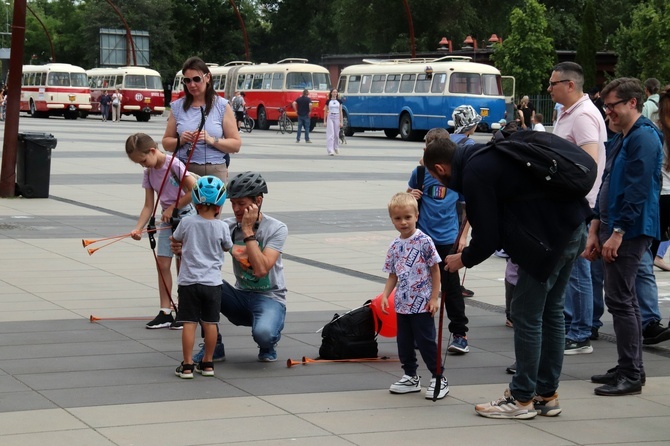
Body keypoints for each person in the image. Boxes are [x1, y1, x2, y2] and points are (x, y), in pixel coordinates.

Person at [424, 137, 591, 419]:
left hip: (547, 241)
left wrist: (462, 259)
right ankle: (546, 395)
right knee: (551, 312)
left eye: (432, 175)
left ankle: (522, 398)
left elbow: (487, 236)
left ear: (440, 168)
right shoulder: (484, 154)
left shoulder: (475, 171)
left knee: (526, 314)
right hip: (572, 229)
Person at [585, 77, 663, 396]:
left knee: (621, 299)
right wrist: (595, 226)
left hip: (628, 231)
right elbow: (606, 183)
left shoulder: (643, 137)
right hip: (614, 227)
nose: (608, 112)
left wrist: (616, 232)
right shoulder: (624, 137)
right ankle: (630, 366)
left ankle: (631, 372)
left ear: (632, 102)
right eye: (605, 106)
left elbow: (637, 189)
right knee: (621, 299)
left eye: (612, 105)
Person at [174, 171, 288, 363]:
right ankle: (214, 347)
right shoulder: (224, 226)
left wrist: (247, 231)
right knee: (201, 285)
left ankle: (268, 345)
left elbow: (261, 270)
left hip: (270, 297)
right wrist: (179, 247)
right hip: (239, 295)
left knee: (264, 333)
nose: (235, 209)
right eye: (232, 203)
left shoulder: (276, 228)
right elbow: (196, 247)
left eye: (241, 204)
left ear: (258, 201)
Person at [549, 61, 607, 356]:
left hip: (579, 204)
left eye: (553, 84)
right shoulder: (567, 113)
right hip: (571, 202)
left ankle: (581, 332)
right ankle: (581, 324)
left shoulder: (583, 116)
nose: (549, 89)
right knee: (576, 269)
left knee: (578, 269)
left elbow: (590, 165)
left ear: (570, 85)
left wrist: (583, 205)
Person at [407, 128, 471, 354]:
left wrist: (463, 236)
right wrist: (410, 196)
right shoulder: (420, 173)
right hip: (424, 238)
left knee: (451, 287)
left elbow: (467, 207)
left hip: (447, 238)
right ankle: (422, 332)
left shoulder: (457, 174)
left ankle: (459, 333)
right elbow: (407, 200)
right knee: (421, 285)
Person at [380, 192, 449, 400]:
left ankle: (439, 377)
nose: (403, 222)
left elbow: (436, 270)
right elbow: (393, 274)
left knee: (426, 341)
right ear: (392, 219)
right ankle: (410, 375)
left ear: (417, 216)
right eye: (398, 218)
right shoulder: (394, 245)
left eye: (408, 217)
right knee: (404, 342)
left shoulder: (424, 241)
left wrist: (434, 297)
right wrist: (385, 295)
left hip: (422, 303)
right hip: (402, 304)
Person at [126, 133, 197, 330]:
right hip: (167, 218)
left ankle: (185, 309)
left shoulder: (174, 165)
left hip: (185, 216)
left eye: (143, 160)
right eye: (139, 163)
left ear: (152, 150)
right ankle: (165, 311)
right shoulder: (148, 173)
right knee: (162, 263)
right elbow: (148, 205)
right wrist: (138, 228)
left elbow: (195, 191)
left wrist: (174, 206)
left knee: (182, 263)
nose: (143, 165)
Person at [173, 176, 232, 379]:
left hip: (189, 282)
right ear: (219, 205)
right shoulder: (222, 226)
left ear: (195, 203)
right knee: (210, 323)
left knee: (189, 323)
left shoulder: (186, 222)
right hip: (212, 283)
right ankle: (207, 363)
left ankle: (187, 365)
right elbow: (227, 246)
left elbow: (177, 239)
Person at [162, 56, 241, 183]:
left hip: (213, 170)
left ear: (207, 77)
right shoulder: (177, 106)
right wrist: (181, 140)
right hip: (182, 169)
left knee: (210, 203)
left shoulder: (222, 106)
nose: (192, 85)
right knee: (181, 203)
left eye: (196, 79)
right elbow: (166, 143)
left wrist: (212, 140)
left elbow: (236, 145)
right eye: (187, 81)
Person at [323, 88, 342, 156]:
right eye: (333, 92)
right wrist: (324, 121)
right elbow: (325, 111)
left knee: (336, 134)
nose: (335, 93)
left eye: (336, 92)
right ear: (331, 93)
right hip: (330, 116)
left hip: (337, 117)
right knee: (331, 134)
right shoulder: (328, 101)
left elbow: (340, 112)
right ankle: (330, 150)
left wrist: (341, 122)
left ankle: (336, 147)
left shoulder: (339, 101)